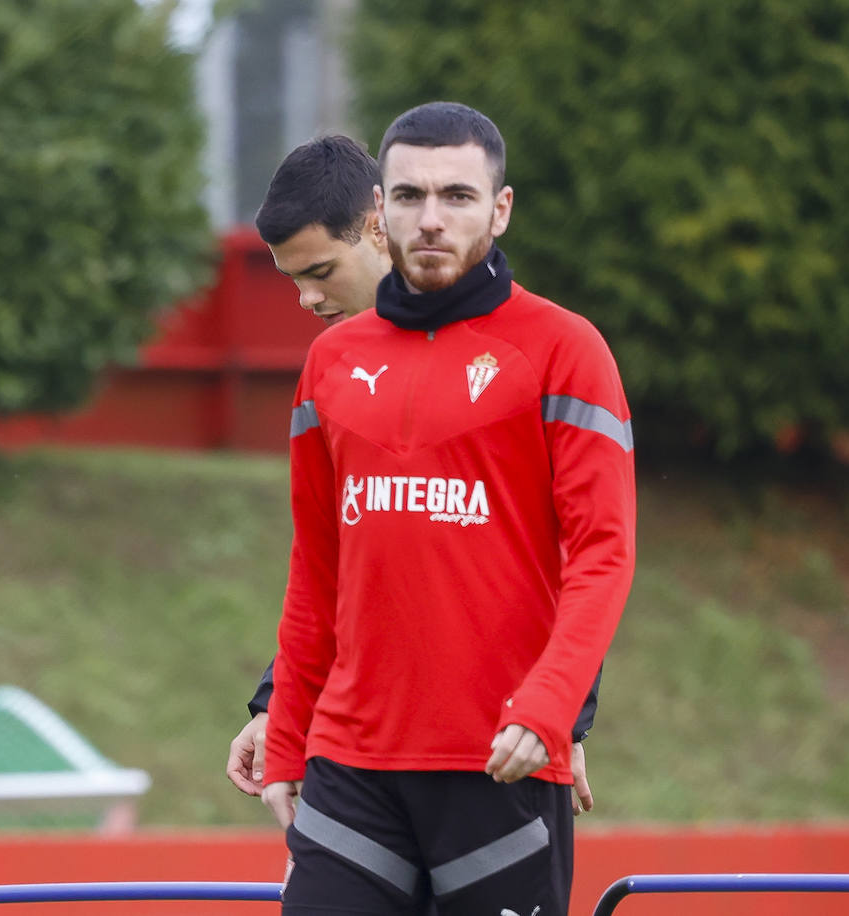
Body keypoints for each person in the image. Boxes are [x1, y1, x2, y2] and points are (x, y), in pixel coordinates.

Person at [260, 103, 636, 916]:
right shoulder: (328, 362)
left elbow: (601, 554)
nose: (431, 218)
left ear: (499, 209)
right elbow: (317, 569)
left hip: (500, 765)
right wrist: (287, 732)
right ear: (380, 211)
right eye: (411, 197)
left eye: (458, 197)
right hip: (350, 768)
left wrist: (553, 708)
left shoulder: (568, 350)